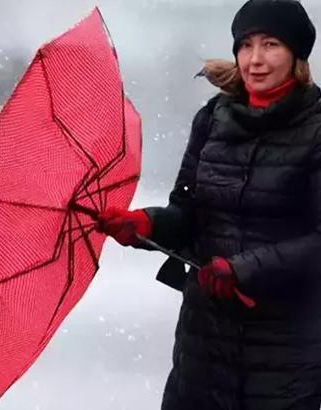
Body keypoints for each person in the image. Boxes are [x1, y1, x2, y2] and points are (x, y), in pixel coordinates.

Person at [98, 1, 321, 409]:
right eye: (246, 45)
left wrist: (244, 269)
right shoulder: (213, 119)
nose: (256, 59)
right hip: (203, 349)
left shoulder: (316, 127)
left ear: (297, 54)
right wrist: (146, 225)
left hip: (284, 355)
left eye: (271, 44)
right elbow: (189, 214)